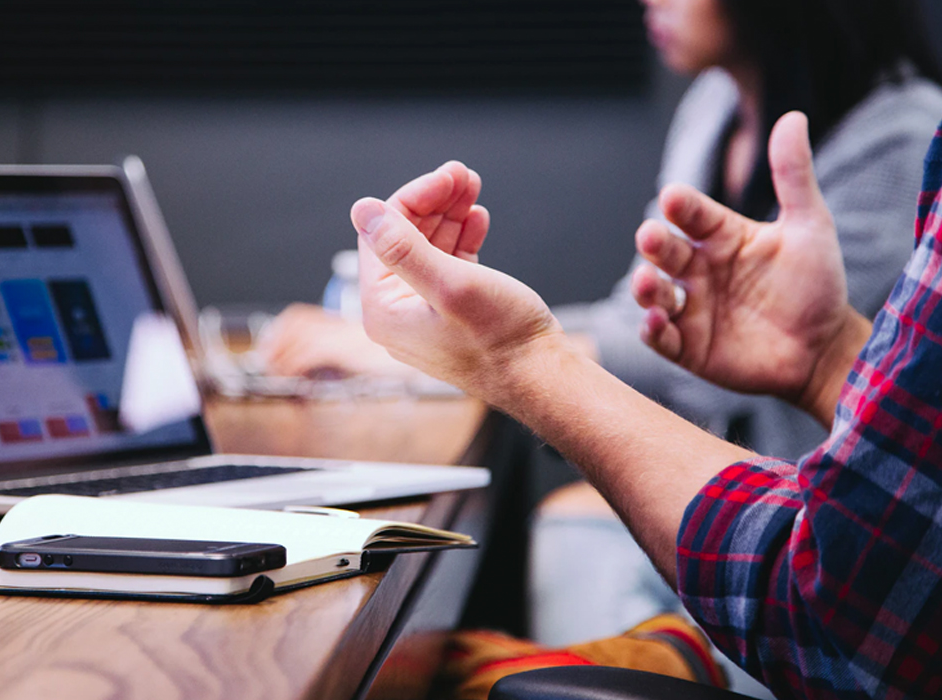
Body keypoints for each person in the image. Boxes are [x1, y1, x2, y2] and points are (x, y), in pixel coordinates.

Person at [347, 109, 942, 697]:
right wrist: (830, 360)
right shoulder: (712, 107)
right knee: (566, 530)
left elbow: (841, 604)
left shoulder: (900, 131)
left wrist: (519, 359)